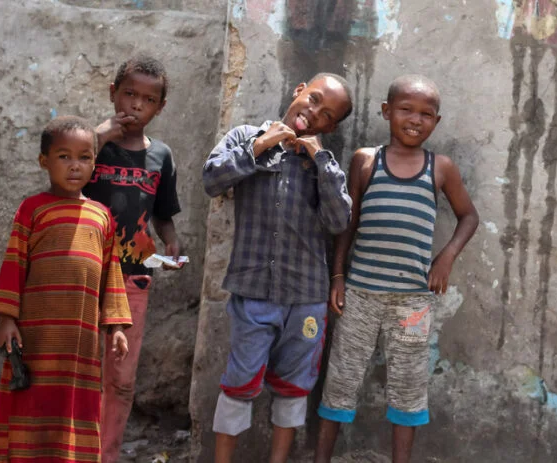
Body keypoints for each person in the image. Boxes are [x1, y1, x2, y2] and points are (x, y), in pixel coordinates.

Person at [313, 75, 480, 463]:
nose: (415, 120)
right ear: (387, 112)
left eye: (426, 114)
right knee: (340, 382)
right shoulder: (365, 161)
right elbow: (348, 223)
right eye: (406, 110)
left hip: (412, 304)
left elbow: (469, 216)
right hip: (360, 296)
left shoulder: (441, 168)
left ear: (436, 121)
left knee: (408, 389)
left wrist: (446, 256)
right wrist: (338, 276)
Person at [201, 72, 354, 463]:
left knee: (293, 389)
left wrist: (320, 160)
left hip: (306, 300)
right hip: (253, 292)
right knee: (238, 384)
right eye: (313, 99)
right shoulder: (245, 137)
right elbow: (212, 180)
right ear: (299, 90)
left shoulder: (323, 164)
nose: (314, 113)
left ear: (330, 128)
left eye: (326, 115)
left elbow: (339, 221)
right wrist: (261, 145)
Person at [0, 116, 132, 462]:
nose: (74, 166)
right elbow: (14, 264)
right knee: (31, 404)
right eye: (64, 157)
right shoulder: (32, 209)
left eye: (84, 157)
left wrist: (116, 326)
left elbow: (111, 274)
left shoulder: (101, 217)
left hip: (79, 346)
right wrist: (6, 319)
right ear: (44, 161)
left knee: (74, 409)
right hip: (35, 341)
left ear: (94, 164)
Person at [81, 55, 182, 463]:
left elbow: (162, 213)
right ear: (113, 94)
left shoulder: (161, 157)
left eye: (148, 99)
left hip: (132, 282)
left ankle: (105, 455)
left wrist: (171, 241)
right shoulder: (91, 146)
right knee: (80, 371)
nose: (136, 105)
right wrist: (99, 136)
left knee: (121, 379)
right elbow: (64, 180)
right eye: (129, 94)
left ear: (160, 107)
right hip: (85, 277)